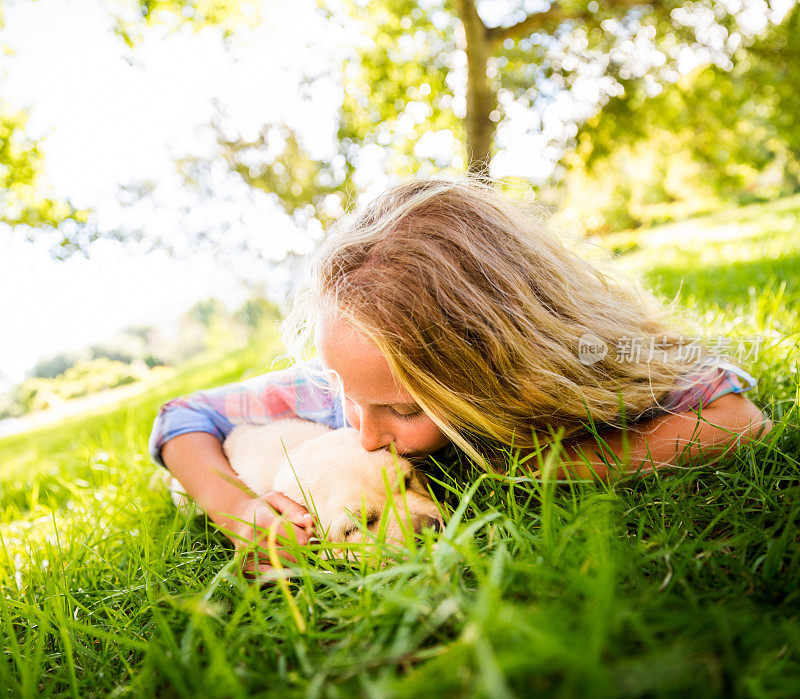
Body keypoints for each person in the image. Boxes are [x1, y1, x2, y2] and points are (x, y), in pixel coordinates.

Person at [149, 178, 772, 571]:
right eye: (348, 395)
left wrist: (549, 464)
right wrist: (238, 509)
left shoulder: (579, 358)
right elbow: (185, 416)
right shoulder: (356, 383)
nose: (363, 432)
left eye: (403, 410)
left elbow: (735, 414)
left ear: (502, 369)